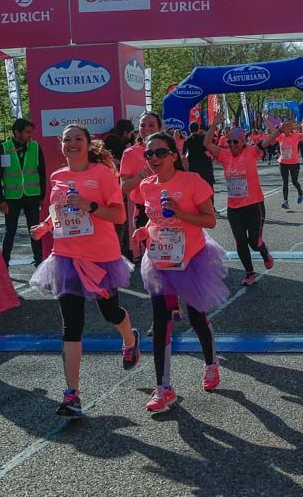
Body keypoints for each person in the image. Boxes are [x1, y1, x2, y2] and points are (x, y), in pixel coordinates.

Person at [28, 124, 141, 417]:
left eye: (79, 139)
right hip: (65, 257)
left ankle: (130, 340)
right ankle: (71, 394)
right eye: (67, 139)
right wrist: (45, 227)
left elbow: (117, 214)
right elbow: (58, 211)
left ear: (88, 144)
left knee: (110, 313)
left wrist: (90, 206)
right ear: (61, 145)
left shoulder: (102, 174)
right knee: (71, 325)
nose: (73, 143)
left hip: (100, 258)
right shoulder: (57, 176)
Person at [132, 132, 229, 412]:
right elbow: (155, 221)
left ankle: (211, 363)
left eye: (160, 152)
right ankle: (164, 388)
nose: (154, 159)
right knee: (161, 323)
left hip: (192, 259)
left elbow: (209, 220)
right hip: (160, 260)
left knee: (198, 317)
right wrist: (145, 230)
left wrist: (180, 214)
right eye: (149, 154)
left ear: (174, 155)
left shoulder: (192, 182)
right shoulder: (147, 187)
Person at [204, 118, 275, 286]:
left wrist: (277, 130)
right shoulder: (224, 155)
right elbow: (207, 143)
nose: (232, 144)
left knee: (254, 242)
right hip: (234, 208)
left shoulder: (252, 152)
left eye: (235, 142)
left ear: (243, 142)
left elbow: (268, 140)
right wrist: (214, 124)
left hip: (254, 205)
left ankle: (264, 253)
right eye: (229, 142)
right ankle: (249, 272)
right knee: (240, 242)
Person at [0, 118, 46, 267]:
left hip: (32, 196)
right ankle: (4, 264)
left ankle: (39, 262)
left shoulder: (35, 147)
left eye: (31, 132)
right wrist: (1, 200)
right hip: (12, 197)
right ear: (17, 132)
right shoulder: (4, 148)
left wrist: (42, 196)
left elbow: (42, 172)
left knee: (35, 230)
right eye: (28, 132)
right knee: (10, 230)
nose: (31, 135)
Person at [119, 111, 165, 233]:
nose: (146, 129)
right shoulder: (130, 153)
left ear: (159, 128)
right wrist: (142, 175)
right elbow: (123, 187)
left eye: (151, 125)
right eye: (142, 125)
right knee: (150, 251)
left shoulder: (169, 149)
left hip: (171, 208)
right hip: (145, 211)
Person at [263, 119, 303, 210]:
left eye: (285, 127)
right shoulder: (281, 136)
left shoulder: (296, 136)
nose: (283, 129)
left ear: (289, 128)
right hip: (283, 163)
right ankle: (285, 201)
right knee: (285, 182)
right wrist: (264, 119)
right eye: (282, 127)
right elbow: (272, 129)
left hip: (294, 163)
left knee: (294, 182)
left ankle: (300, 192)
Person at [182, 122, 216, 191]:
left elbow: (183, 155)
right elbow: (206, 152)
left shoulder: (187, 140)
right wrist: (213, 158)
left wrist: (185, 167)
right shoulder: (203, 139)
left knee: (194, 187)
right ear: (198, 129)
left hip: (193, 166)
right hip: (204, 165)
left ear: (190, 129)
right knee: (207, 187)